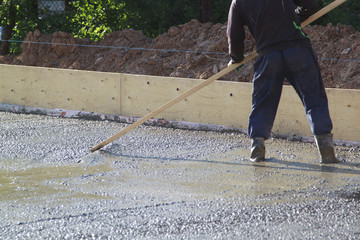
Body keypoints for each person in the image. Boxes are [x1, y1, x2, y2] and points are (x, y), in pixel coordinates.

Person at [226, 0, 340, 164]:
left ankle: (257, 149)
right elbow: (311, 4)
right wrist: (295, 18)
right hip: (298, 50)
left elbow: (234, 34)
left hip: (268, 55)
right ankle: (327, 152)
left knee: (263, 102)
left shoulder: (238, 2)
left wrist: (236, 58)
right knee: (314, 99)